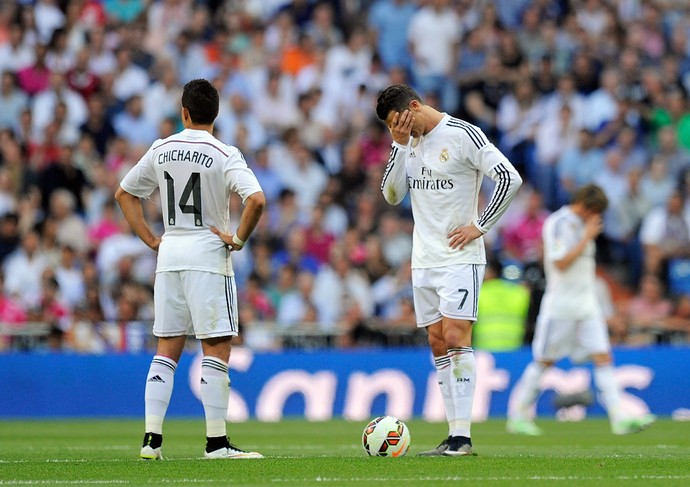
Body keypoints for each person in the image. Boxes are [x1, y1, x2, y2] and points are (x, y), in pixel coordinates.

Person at [115, 79, 266, 460]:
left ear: (183, 112)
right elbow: (257, 200)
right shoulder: (223, 153)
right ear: (215, 114)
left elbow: (124, 194)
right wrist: (239, 238)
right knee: (215, 347)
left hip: (170, 255)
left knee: (166, 350)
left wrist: (151, 238)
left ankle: (152, 440)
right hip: (208, 257)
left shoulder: (161, 148)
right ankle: (216, 443)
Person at [376, 84, 522, 456]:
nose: (398, 128)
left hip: (459, 256)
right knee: (437, 341)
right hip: (423, 259)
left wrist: (480, 225)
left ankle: (463, 436)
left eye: (398, 121)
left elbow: (509, 178)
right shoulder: (407, 144)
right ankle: (452, 433)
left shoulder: (462, 135)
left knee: (457, 336)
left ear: (413, 106)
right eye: (391, 127)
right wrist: (398, 143)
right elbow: (391, 195)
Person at [506, 185, 656, 436]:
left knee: (603, 357)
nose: (597, 218)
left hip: (587, 306)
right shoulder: (558, 222)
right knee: (545, 360)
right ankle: (518, 416)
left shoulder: (582, 225)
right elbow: (560, 262)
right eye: (596, 212)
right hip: (561, 306)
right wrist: (586, 237)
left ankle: (619, 419)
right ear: (588, 206)